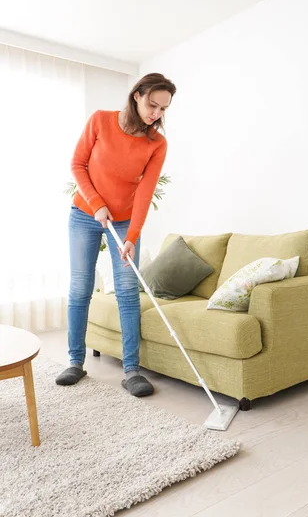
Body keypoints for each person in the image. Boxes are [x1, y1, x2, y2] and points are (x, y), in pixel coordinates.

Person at [56, 73, 176, 396]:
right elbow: (77, 164)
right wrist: (96, 204)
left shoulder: (157, 144)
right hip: (84, 213)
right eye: (153, 104)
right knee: (80, 286)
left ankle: (131, 370)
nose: (156, 114)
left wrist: (132, 236)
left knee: (126, 289)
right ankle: (75, 363)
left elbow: (145, 193)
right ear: (137, 95)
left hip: (123, 220)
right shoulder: (100, 121)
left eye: (163, 109)